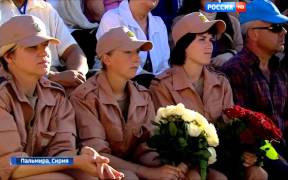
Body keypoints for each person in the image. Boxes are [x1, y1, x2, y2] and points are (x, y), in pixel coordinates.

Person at [0, 15, 124, 180]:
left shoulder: (55, 94)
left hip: (31, 170)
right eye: (32, 47)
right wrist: (73, 160)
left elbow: (62, 151)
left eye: (45, 45)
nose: (43, 52)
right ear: (9, 57)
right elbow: (13, 164)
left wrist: (82, 157)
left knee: (93, 175)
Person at [150, 12, 267, 180]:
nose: (209, 46)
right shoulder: (162, 86)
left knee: (258, 173)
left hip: (221, 155)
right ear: (184, 44)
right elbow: (168, 140)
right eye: (201, 39)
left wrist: (249, 153)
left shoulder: (221, 82)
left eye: (210, 39)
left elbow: (231, 128)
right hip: (184, 161)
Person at [70, 26, 188, 180]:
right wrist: (149, 173)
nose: (137, 58)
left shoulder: (143, 95)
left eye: (137, 52)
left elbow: (147, 145)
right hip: (96, 170)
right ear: (106, 59)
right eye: (128, 52)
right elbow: (98, 154)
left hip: (133, 166)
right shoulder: (84, 97)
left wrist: (170, 164)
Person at [221, 0, 288, 179]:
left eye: (283, 26)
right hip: (258, 152)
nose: (284, 32)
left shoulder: (279, 68)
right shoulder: (235, 71)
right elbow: (245, 131)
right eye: (276, 27)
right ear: (254, 34)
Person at [0, 0, 88, 88]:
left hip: (58, 81)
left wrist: (76, 76)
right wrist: (50, 78)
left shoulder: (45, 7)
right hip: (14, 85)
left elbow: (73, 51)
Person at [96, 0, 170, 87]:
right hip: (120, 88)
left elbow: (164, 66)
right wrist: (155, 81)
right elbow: (120, 64)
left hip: (155, 88)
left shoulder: (159, 23)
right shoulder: (112, 18)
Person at [177, 0, 243, 67]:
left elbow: (240, 48)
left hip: (227, 74)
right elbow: (178, 56)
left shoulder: (233, 21)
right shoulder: (182, 22)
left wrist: (231, 53)